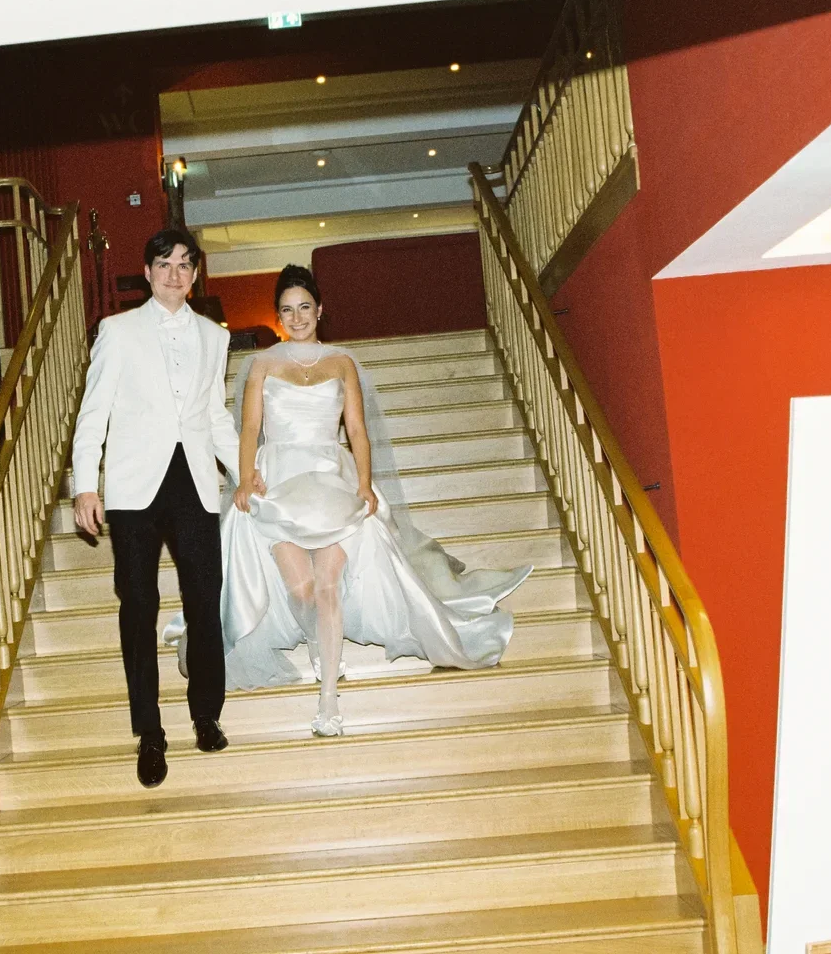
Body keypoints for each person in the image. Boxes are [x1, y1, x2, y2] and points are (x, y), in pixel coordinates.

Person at [188, 265, 532, 736]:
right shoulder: (262, 364)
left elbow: (356, 430)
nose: (297, 317)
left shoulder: (341, 363)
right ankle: (316, 643)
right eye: (287, 310)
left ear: (320, 310)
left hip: (332, 480)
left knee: (328, 586)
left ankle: (328, 698)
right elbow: (248, 428)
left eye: (304, 307)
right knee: (301, 588)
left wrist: (366, 484)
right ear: (280, 315)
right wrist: (246, 478)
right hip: (279, 484)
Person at [70, 227, 256, 788]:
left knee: (205, 598)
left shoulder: (212, 336)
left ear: (196, 275)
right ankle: (150, 734)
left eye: (185, 265)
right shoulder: (117, 331)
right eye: (164, 264)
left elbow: (216, 416)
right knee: (138, 607)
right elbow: (93, 412)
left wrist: (247, 470)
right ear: (148, 272)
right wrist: (86, 484)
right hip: (133, 489)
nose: (175, 274)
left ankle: (206, 715)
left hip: (195, 482)